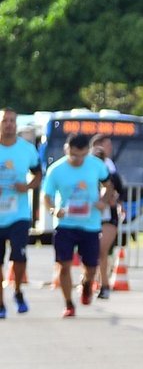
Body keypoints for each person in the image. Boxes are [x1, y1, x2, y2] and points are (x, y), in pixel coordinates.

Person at [39, 132, 112, 316]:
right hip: (65, 224)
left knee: (91, 267)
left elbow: (108, 185)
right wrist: (54, 210)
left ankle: (87, 285)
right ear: (66, 150)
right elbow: (46, 196)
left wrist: (103, 200)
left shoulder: (96, 165)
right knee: (64, 265)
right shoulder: (56, 170)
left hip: (90, 223)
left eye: (82, 155)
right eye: (74, 155)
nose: (78, 160)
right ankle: (69, 304)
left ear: (88, 151)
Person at [0, 108, 42, 317]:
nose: (9, 124)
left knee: (19, 256)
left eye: (12, 121)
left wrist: (28, 186)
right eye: (5, 120)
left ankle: (17, 290)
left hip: (19, 215)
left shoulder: (26, 149)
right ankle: (0, 303)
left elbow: (38, 174)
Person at [90, 134, 125, 299]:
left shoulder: (111, 172)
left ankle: (104, 285)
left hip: (109, 217)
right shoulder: (86, 173)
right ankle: (89, 280)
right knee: (91, 251)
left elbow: (120, 192)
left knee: (102, 250)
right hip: (90, 216)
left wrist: (114, 199)